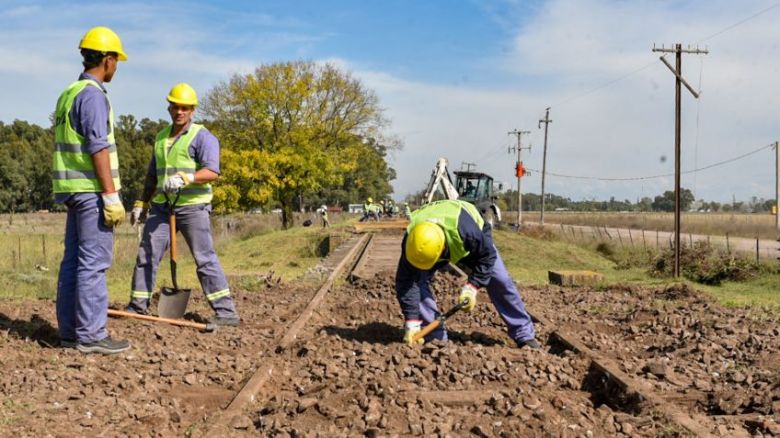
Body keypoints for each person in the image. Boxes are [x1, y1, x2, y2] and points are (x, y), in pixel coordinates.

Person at [126, 83, 240, 326]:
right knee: (147, 254)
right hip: (162, 207)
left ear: (192, 110)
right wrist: (142, 202)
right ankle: (138, 306)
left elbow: (212, 171)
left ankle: (226, 312)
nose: (179, 112)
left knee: (204, 258)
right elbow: (152, 175)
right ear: (169, 107)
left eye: (184, 108)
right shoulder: (160, 137)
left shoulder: (203, 137)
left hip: (192, 207)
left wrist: (186, 178)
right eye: (175, 107)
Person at [53, 26, 130, 354]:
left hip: (71, 189)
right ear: (108, 60)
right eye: (116, 61)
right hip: (91, 191)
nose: (116, 67)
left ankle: (71, 332)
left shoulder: (69, 92)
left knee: (74, 260)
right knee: (94, 262)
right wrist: (110, 194)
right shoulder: (93, 96)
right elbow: (98, 147)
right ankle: (91, 335)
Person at [395, 199, 539, 349]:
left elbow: (487, 257)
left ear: (442, 250)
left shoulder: (468, 232)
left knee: (500, 279)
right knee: (416, 280)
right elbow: (406, 282)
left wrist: (472, 288)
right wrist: (412, 323)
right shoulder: (413, 243)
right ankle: (436, 338)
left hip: (469, 240)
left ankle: (523, 334)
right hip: (437, 242)